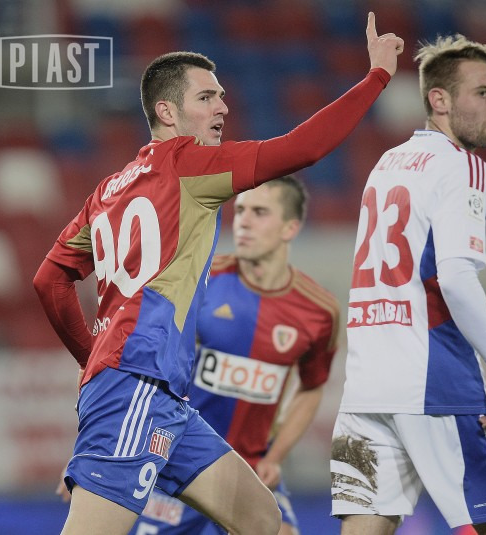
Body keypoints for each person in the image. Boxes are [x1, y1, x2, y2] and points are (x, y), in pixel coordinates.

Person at [33, 12, 403, 535]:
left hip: (160, 393)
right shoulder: (188, 163)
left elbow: (49, 280)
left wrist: (91, 356)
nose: (222, 107)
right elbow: (303, 148)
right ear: (167, 112)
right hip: (138, 380)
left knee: (261, 518)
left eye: (222, 97)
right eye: (206, 97)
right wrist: (377, 76)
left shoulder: (108, 190)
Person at [330, 34, 486, 535]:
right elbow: (457, 278)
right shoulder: (461, 164)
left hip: (365, 389)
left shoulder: (386, 163)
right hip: (435, 383)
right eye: (483, 93)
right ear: (439, 100)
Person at [127, 175, 339, 535]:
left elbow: (312, 387)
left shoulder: (319, 311)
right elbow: (142, 358)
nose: (243, 221)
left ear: (290, 228)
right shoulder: (200, 278)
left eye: (259, 212)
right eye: (240, 210)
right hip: (180, 461)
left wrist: (276, 456)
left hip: (252, 468)